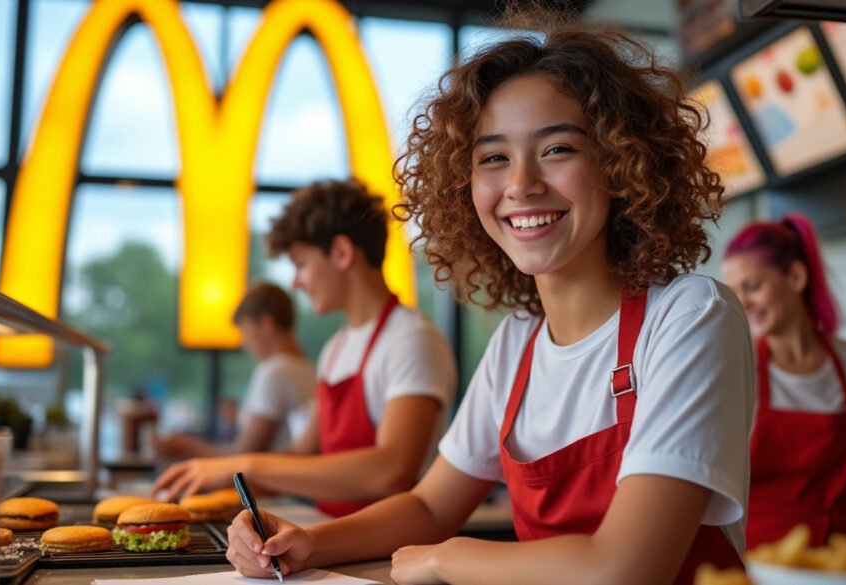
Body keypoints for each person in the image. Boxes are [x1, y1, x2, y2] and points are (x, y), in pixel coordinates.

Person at [225, 23, 754, 585]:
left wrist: (444, 556)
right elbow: (429, 507)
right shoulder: (519, 341)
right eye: (494, 158)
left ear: (621, 165)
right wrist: (305, 542)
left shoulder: (690, 317)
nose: (521, 185)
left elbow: (625, 568)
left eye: (556, 149)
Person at [152, 179, 458, 518]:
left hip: (392, 553)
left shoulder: (413, 340)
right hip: (331, 536)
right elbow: (305, 452)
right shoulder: (335, 348)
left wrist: (245, 465)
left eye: (300, 263)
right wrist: (222, 477)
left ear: (341, 253)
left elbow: (391, 471)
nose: (296, 282)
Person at [722, 213, 846, 550]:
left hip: (843, 551)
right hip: (764, 557)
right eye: (734, 291)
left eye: (753, 286)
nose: (743, 303)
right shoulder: (735, 368)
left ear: (796, 277)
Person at [152, 282, 315, 458]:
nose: (244, 343)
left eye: (245, 331)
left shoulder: (274, 371)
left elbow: (245, 455)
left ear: (266, 323)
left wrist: (187, 446)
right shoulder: (310, 369)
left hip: (267, 483)